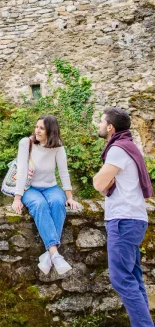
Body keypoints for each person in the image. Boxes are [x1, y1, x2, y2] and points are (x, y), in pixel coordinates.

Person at [93, 107, 154, 327]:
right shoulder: (130, 146)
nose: (98, 125)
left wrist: (100, 180)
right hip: (134, 218)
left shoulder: (117, 149)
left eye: (101, 122)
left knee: (121, 280)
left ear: (110, 127)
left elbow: (99, 183)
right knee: (134, 279)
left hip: (123, 220)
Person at [11, 115, 79, 275]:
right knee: (40, 205)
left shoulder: (58, 147)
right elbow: (21, 170)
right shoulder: (25, 143)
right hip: (30, 188)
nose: (37, 130)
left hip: (51, 187)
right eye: (36, 127)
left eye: (41, 128)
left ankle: (49, 255)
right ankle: (55, 254)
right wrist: (17, 198)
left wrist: (69, 197)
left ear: (51, 130)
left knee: (57, 202)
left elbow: (63, 171)